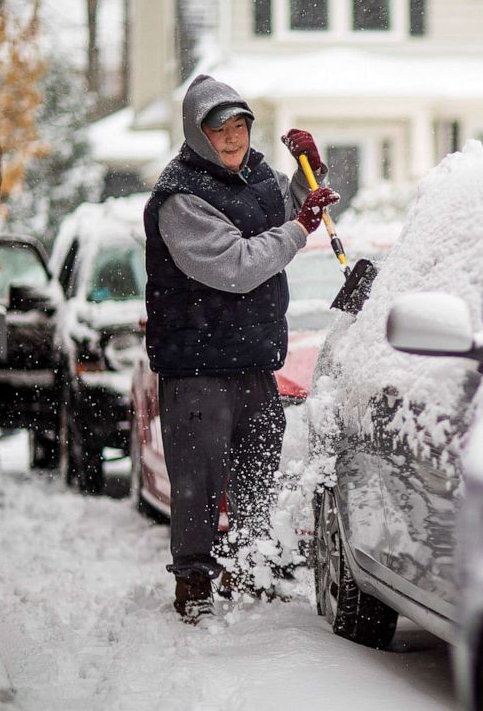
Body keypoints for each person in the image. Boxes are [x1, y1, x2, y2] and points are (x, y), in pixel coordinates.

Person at [143, 74, 340, 624]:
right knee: (199, 480)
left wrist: (310, 175)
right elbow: (237, 266)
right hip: (197, 362)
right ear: (197, 134)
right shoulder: (180, 196)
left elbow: (292, 210)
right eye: (219, 130)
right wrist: (301, 228)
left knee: (257, 468)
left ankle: (248, 564)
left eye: (240, 127)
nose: (232, 139)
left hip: (253, 356)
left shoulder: (257, 174)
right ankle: (195, 582)